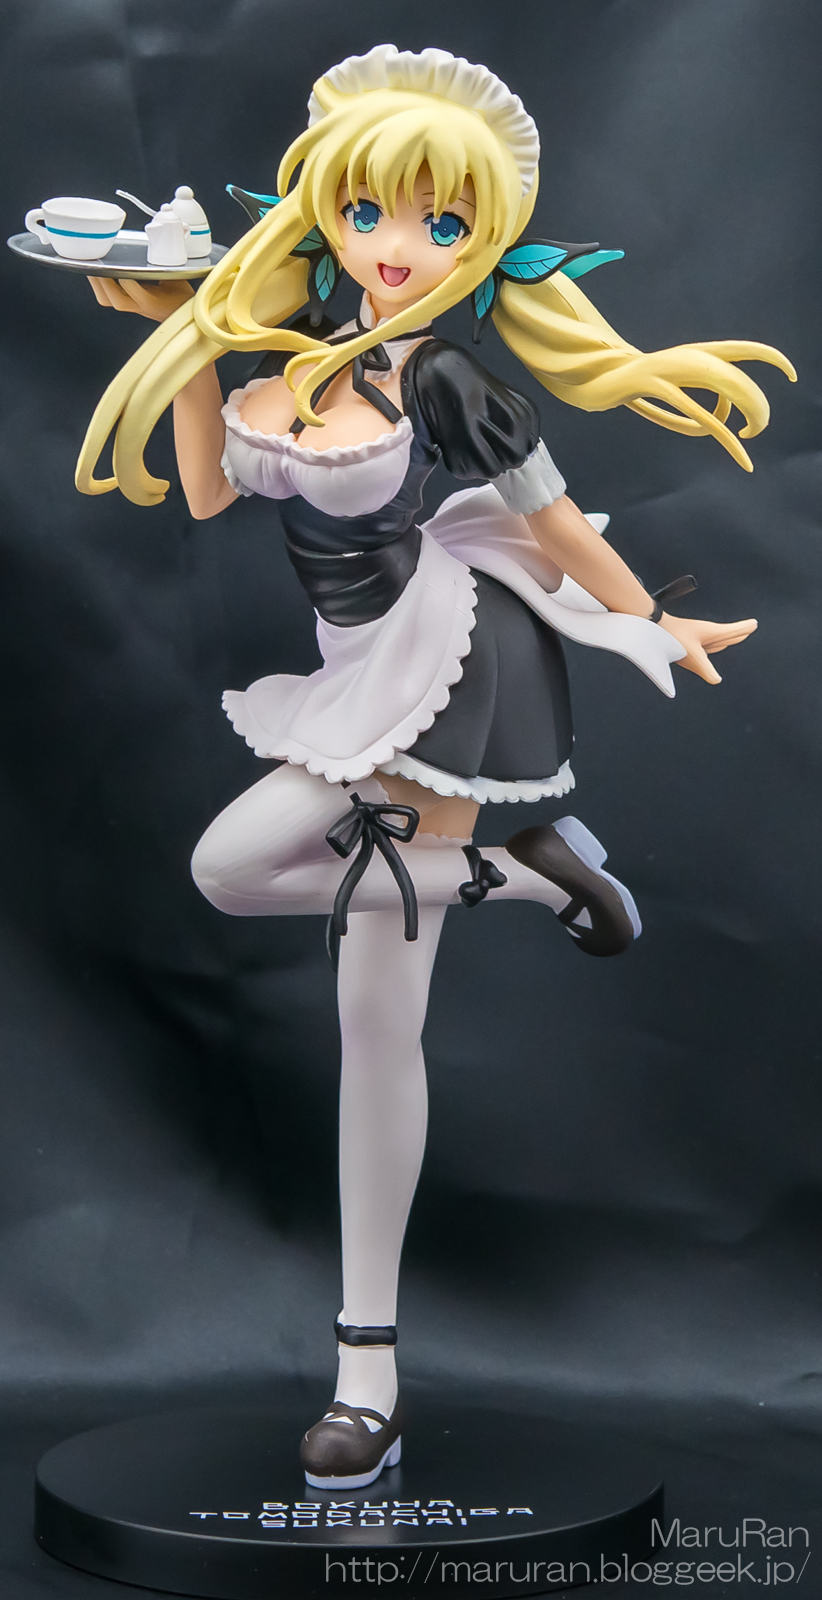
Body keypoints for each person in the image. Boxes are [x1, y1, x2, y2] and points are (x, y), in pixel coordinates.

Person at [77, 44, 794, 1489]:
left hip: (452, 664)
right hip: (354, 672)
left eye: (441, 223)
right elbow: (208, 491)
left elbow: (557, 524)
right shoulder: (294, 352)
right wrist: (186, 335)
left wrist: (650, 620)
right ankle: (534, 881)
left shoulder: (455, 377)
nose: (397, 247)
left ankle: (367, 1376)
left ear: (485, 235)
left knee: (360, 1004)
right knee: (256, 896)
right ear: (326, 214)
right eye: (369, 214)